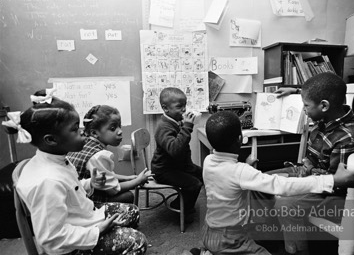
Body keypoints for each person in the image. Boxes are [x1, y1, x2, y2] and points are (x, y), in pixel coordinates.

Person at [200, 110, 354, 255]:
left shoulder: (208, 161)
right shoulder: (241, 172)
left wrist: (245, 167)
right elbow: (281, 186)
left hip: (209, 231)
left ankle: (213, 250)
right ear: (240, 139)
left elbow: (226, 176)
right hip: (232, 238)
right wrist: (333, 179)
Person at [2, 97, 147, 254]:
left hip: (82, 216)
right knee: (137, 241)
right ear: (51, 140)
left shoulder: (57, 159)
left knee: (132, 211)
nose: (82, 133)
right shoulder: (47, 182)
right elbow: (52, 239)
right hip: (71, 243)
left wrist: (90, 183)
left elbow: (71, 187)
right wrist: (98, 230)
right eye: (74, 129)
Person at [269, 72, 354, 254]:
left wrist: (298, 184)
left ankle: (294, 250)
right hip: (315, 174)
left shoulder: (349, 138)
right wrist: (295, 90)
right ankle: (274, 241)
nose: (303, 109)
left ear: (324, 106)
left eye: (306, 105)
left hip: (339, 193)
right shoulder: (327, 115)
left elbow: (340, 184)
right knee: (262, 181)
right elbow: (319, 92)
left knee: (286, 205)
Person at [67, 105, 152, 205]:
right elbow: (112, 190)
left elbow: (103, 175)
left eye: (119, 126)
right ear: (94, 133)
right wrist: (138, 181)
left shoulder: (84, 143)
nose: (120, 131)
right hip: (82, 202)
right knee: (128, 196)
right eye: (113, 128)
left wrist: (126, 178)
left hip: (75, 195)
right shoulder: (99, 155)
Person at [151, 87, 203, 222]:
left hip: (178, 165)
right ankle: (180, 207)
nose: (184, 110)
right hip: (164, 170)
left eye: (185, 105)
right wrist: (187, 127)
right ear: (165, 108)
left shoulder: (175, 121)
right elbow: (175, 150)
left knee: (204, 174)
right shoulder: (164, 127)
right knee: (194, 184)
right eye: (179, 106)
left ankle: (184, 201)